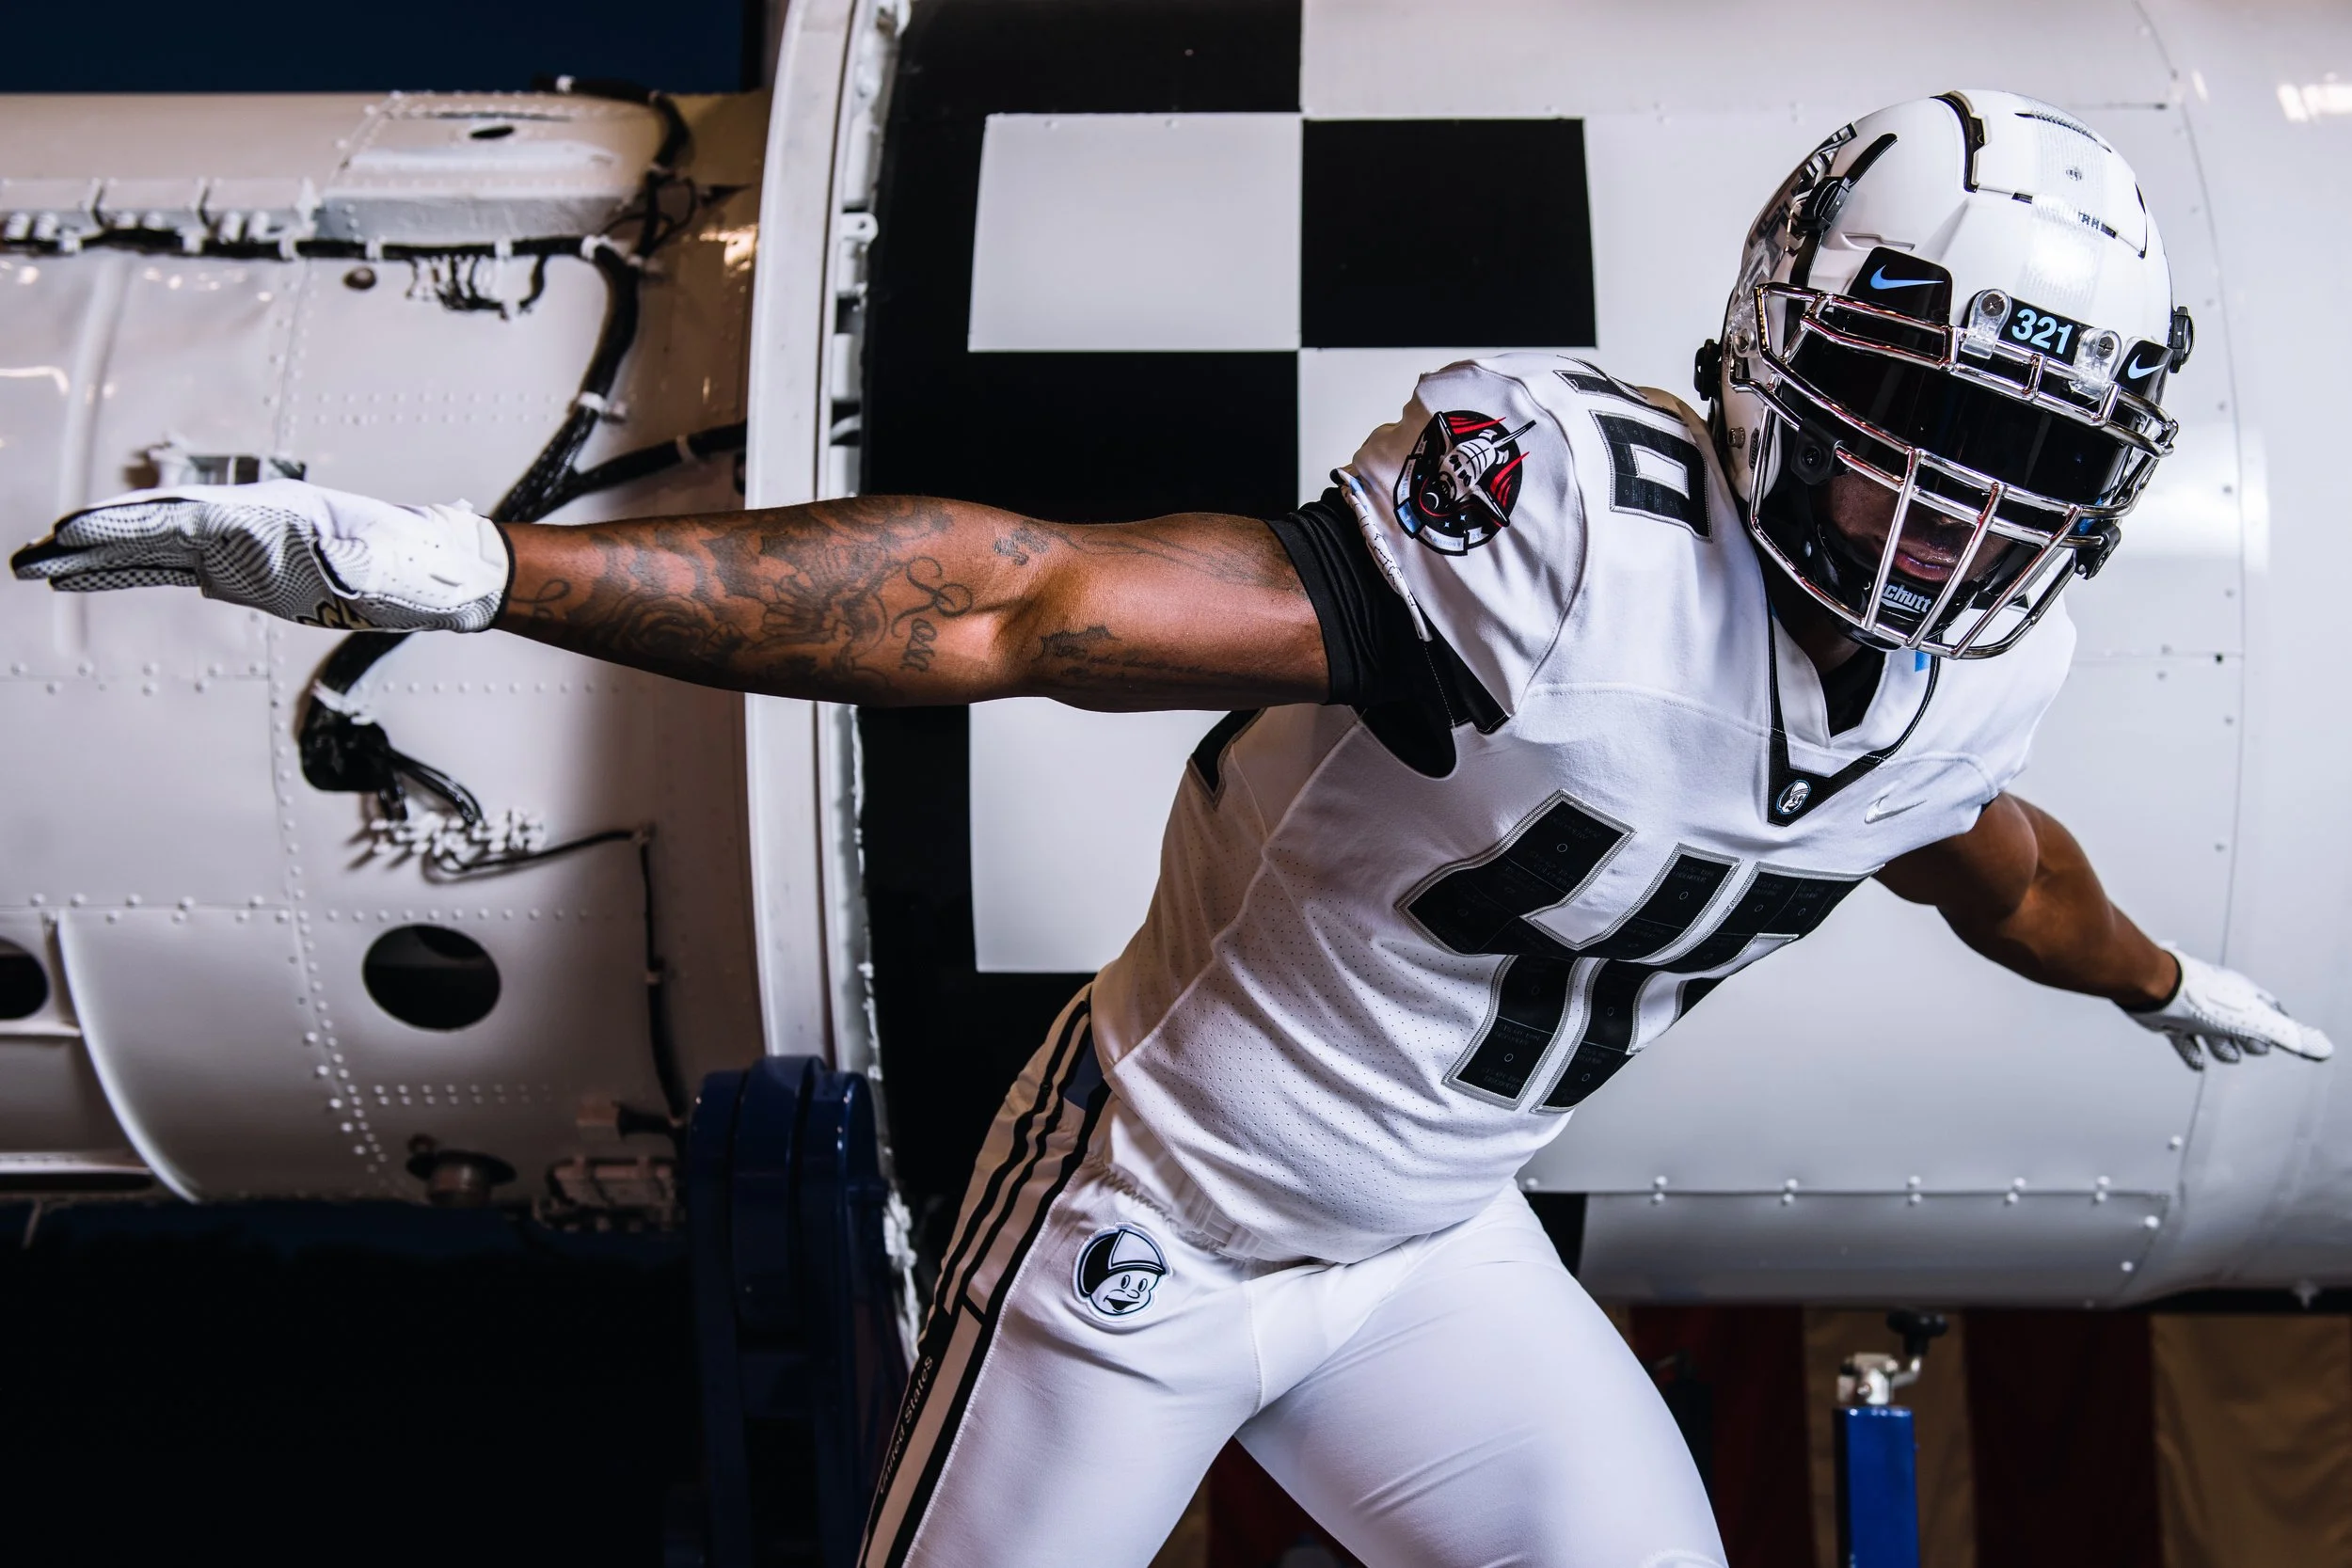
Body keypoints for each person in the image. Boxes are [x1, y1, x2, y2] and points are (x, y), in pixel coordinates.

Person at [14, 90, 2330, 1568]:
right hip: (1159, 1220)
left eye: (2022, 465)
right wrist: (497, 569)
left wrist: (2154, 980)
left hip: (1434, 1250)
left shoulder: (1978, 668)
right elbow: (1018, 599)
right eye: (1910, 416)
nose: (1946, 513)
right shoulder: (1560, 532)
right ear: (1771, 361)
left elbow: (1984, 854)